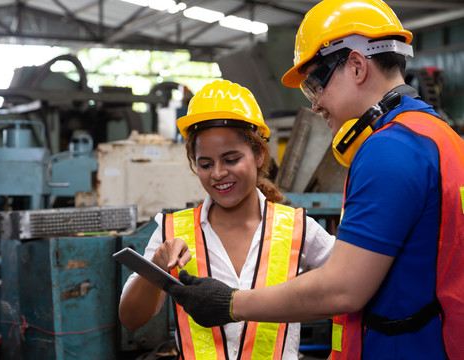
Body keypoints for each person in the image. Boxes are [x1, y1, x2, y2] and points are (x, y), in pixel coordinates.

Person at [165, 1, 464, 359]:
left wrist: (230, 303)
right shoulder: (439, 136)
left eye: (315, 85)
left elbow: (341, 290)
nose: (316, 104)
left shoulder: (389, 150)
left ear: (356, 65)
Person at [118, 79, 335, 360]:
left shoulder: (297, 227)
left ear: (258, 154)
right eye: (205, 164)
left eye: (231, 160)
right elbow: (131, 318)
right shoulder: (171, 232)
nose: (218, 173)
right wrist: (156, 266)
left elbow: (347, 286)